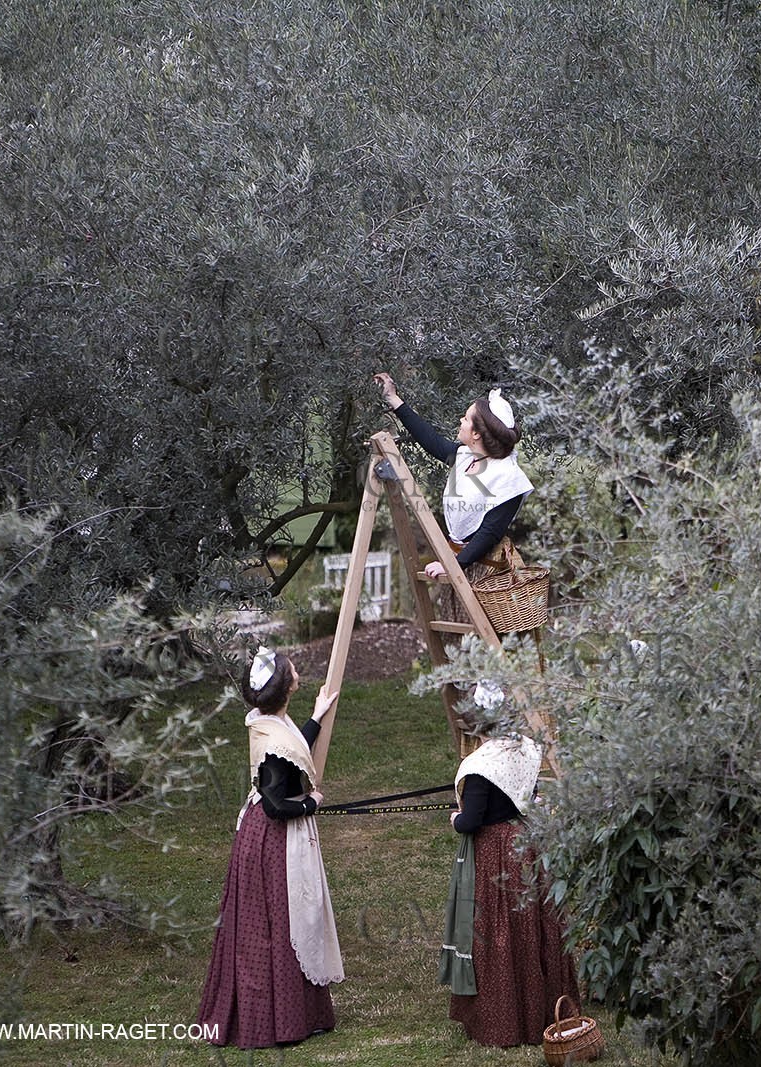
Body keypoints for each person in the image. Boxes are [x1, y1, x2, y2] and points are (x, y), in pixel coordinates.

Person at [197, 646, 343, 1048]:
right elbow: (278, 804)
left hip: (261, 837)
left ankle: (297, 1013)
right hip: (272, 843)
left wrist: (316, 716)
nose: (295, 667)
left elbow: (293, 748)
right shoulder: (272, 739)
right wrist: (312, 802)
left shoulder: (268, 722)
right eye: (292, 667)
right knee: (282, 924)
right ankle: (273, 1020)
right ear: (288, 685)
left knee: (281, 924)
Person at [439, 685, 580, 1047]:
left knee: (499, 930)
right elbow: (527, 796)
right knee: (533, 926)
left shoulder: (481, 765)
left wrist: (455, 819)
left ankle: (504, 1021)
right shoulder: (525, 748)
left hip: (496, 854)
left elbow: (471, 821)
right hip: (527, 845)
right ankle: (543, 1007)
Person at [372, 370, 533, 585]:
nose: (461, 420)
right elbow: (431, 440)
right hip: (460, 563)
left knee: (481, 620)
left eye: (466, 418)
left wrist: (453, 564)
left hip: (486, 574)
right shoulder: (468, 456)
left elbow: (489, 534)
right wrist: (393, 398)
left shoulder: (509, 478)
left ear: (476, 434)